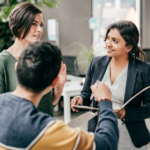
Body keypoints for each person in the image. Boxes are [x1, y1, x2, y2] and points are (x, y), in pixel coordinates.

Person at [0, 41, 119, 150]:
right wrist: (105, 100)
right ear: (54, 81)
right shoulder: (49, 130)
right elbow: (107, 144)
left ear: (16, 68)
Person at [71, 20, 150, 149]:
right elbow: (85, 94)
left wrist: (126, 113)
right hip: (101, 133)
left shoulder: (144, 70)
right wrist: (80, 100)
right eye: (107, 38)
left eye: (115, 41)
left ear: (129, 47)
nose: (108, 43)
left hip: (130, 138)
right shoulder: (96, 63)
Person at [0, 2, 66, 116]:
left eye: (41, 25)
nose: (40, 29)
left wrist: (59, 87)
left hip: (46, 130)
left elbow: (48, 104)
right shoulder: (3, 61)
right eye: (34, 24)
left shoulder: (42, 58)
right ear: (19, 26)